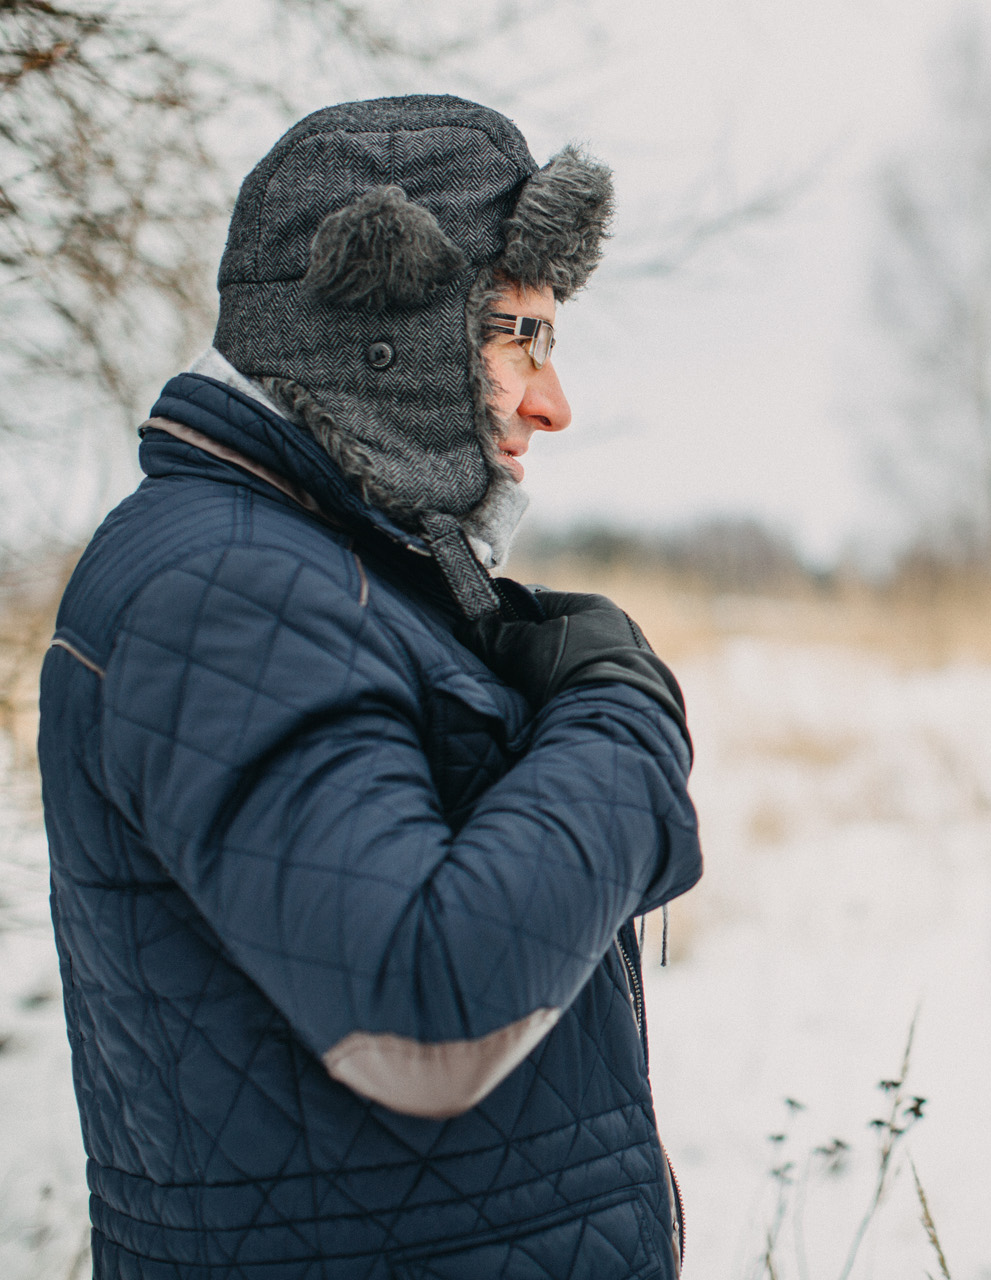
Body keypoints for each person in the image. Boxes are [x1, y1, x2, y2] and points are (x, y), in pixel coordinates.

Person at [39, 96, 701, 1278]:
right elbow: (423, 1005)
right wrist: (625, 713)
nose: (553, 402)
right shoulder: (227, 588)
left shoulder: (316, 567)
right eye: (520, 339)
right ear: (388, 329)